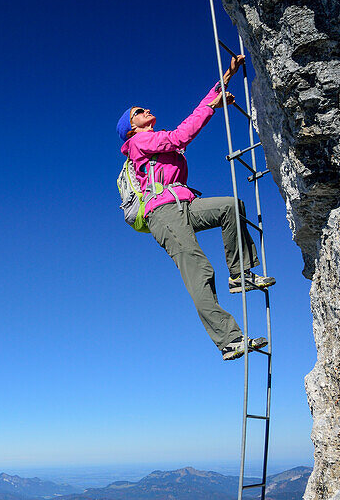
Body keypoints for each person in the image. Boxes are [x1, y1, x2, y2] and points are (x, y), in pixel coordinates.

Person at [117, 54, 275, 361]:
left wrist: (225, 78)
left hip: (184, 204)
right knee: (199, 270)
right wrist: (214, 106)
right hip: (162, 214)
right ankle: (229, 340)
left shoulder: (154, 142)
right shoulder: (140, 144)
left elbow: (188, 123)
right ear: (131, 128)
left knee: (231, 206)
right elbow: (181, 135)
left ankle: (240, 274)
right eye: (139, 111)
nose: (147, 110)